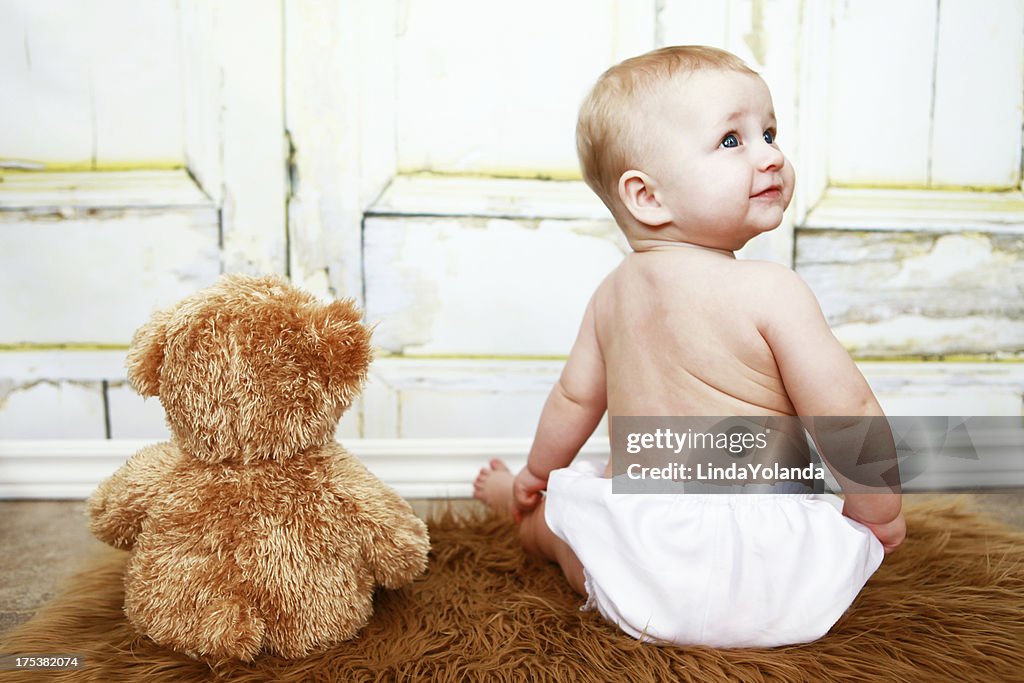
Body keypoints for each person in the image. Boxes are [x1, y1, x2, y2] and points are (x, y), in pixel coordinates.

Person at [474, 45, 905, 648]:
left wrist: (538, 473)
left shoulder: (611, 296)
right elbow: (847, 412)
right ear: (647, 196)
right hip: (773, 575)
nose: (771, 155)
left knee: (561, 524)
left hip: (642, 566)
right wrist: (877, 513)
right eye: (733, 141)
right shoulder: (772, 291)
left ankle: (518, 510)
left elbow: (573, 400)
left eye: (770, 132)